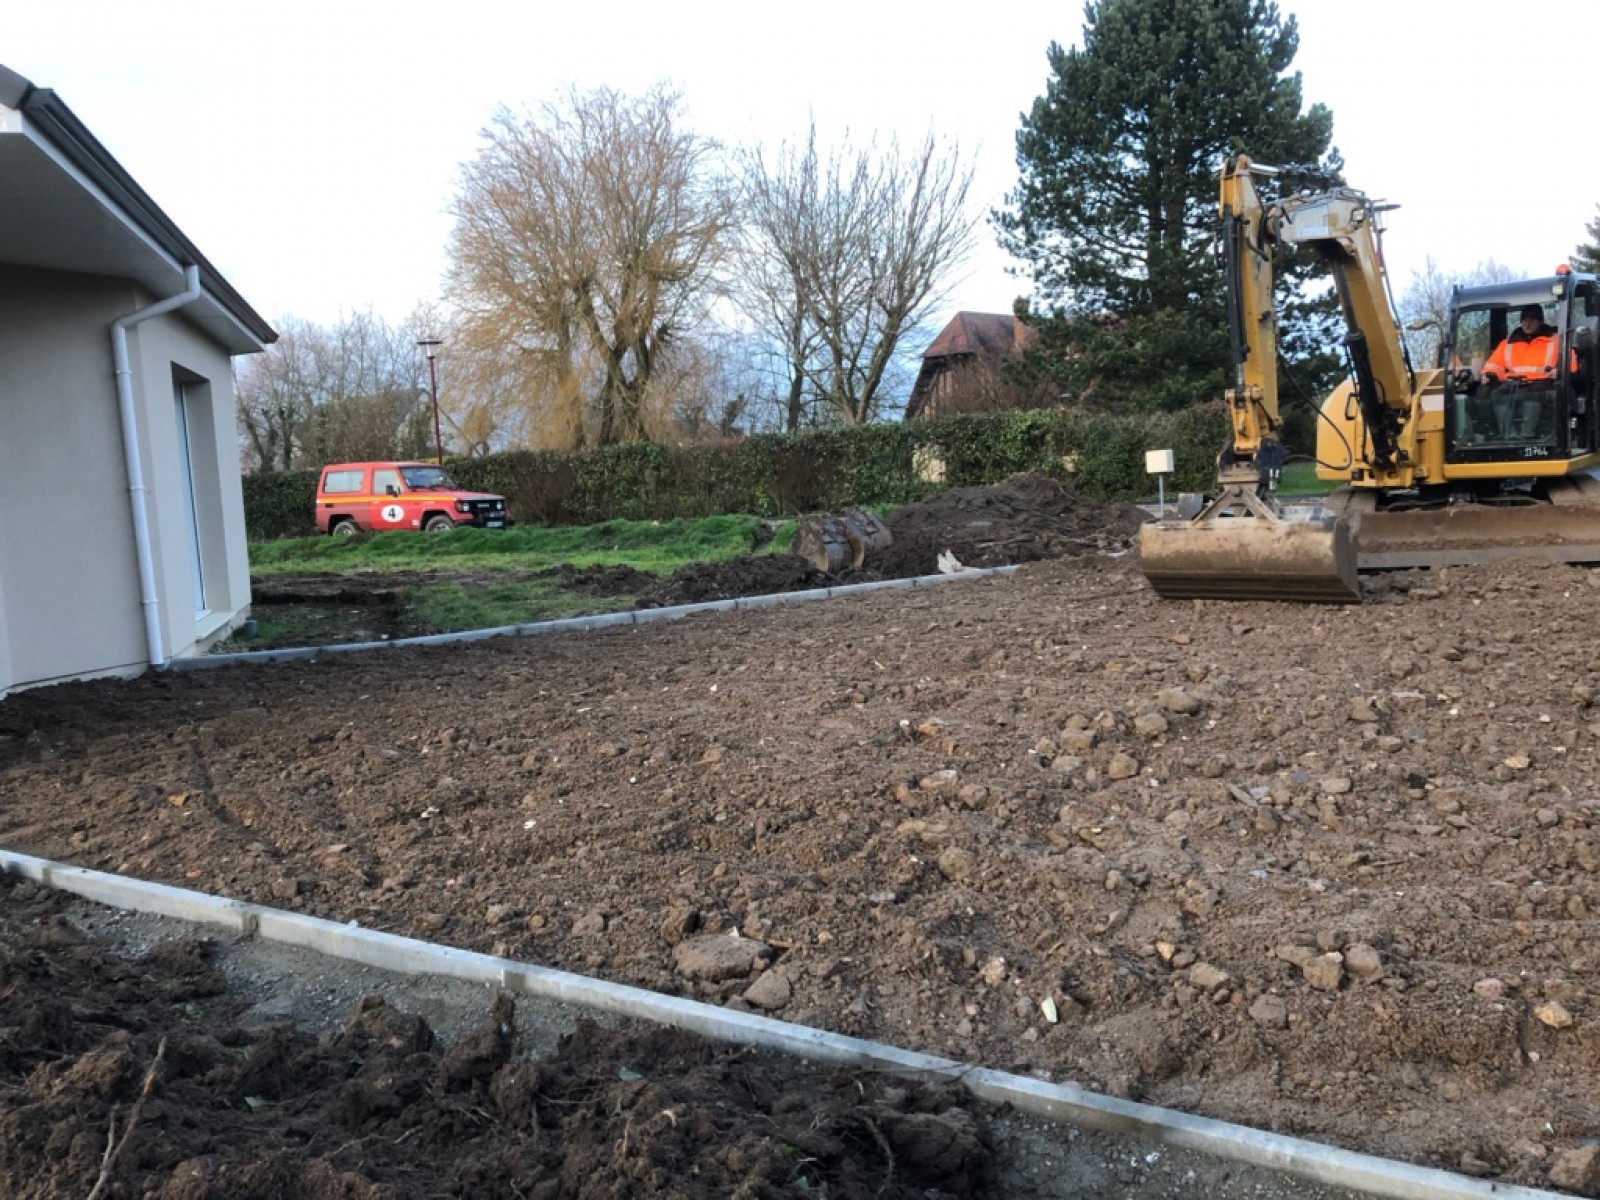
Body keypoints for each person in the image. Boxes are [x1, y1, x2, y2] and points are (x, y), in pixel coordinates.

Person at [1479, 303, 1563, 439]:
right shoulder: (1508, 343)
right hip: (1513, 385)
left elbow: (1570, 362)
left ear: (1540, 321)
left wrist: (1559, 371)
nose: (1527, 324)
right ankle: (1509, 436)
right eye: (1524, 320)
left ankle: (1527, 436)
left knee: (1533, 395)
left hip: (1541, 383)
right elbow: (1494, 364)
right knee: (1496, 394)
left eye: (1532, 320)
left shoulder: (1555, 341)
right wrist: (1489, 374)